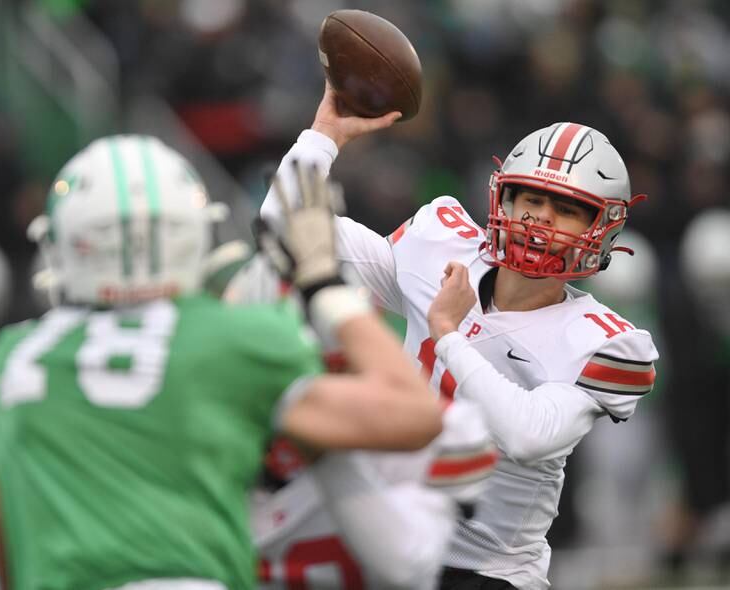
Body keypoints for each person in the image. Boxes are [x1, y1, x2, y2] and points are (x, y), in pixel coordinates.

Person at [0, 134, 444, 590]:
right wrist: (324, 283)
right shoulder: (232, 335)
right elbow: (415, 414)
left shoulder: (11, 356)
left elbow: (3, 527)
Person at [260, 85, 659, 590]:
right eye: (531, 199)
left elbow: (528, 435)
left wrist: (449, 333)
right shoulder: (443, 246)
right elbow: (285, 227)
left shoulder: (604, 340)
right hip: (387, 537)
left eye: (564, 208)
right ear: (502, 198)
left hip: (486, 572)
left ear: (602, 227)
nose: (539, 218)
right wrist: (325, 135)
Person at [219, 254, 496, 589]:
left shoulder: (446, 433)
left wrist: (324, 447)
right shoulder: (206, 424)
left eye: (331, 373)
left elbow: (406, 568)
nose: (312, 396)